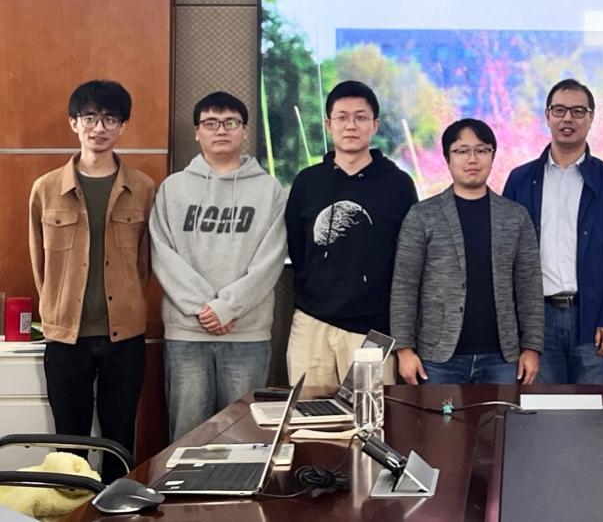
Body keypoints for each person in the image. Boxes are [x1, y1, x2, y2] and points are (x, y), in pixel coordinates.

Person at [28, 80, 155, 481]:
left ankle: (117, 505)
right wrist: (57, 308)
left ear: (122, 126)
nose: (99, 127)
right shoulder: (46, 189)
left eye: (110, 119)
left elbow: (145, 262)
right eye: (89, 118)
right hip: (66, 337)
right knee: (69, 445)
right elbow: (40, 264)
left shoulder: (143, 188)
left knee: (120, 441)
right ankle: (74, 507)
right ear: (74, 123)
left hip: (125, 336)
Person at [149, 92, 287, 439]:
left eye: (231, 123)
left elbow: (271, 259)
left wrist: (227, 307)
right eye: (211, 123)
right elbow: (162, 253)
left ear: (245, 130)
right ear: (197, 132)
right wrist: (204, 307)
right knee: (186, 434)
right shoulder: (173, 188)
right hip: (186, 332)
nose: (221, 130)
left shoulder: (269, 190)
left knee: (246, 435)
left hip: (247, 334)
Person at [284, 80, 417, 386]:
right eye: (342, 117)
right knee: (307, 410)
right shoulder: (307, 182)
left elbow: (408, 260)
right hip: (311, 322)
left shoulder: (398, 184)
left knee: (368, 411)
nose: (351, 125)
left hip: (373, 329)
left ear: (375, 125)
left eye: (360, 117)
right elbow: (298, 248)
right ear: (329, 125)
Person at [390, 119, 543, 384]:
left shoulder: (515, 216)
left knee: (502, 414)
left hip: (503, 358)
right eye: (461, 151)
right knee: (439, 415)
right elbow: (404, 286)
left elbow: (529, 286)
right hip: (437, 358)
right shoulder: (422, 215)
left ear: (492, 156)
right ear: (447, 158)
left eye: (481, 150)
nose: (472, 159)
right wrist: (404, 350)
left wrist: (532, 347)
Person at [503, 78, 603, 384]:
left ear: (591, 118)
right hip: (537, 320)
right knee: (542, 408)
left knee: (590, 408)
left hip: (590, 318)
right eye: (559, 110)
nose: (568, 119)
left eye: (578, 111)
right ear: (547, 115)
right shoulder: (520, 180)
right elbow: (505, 256)